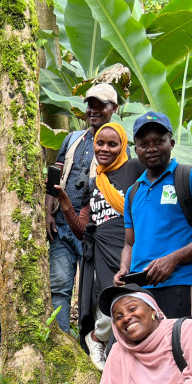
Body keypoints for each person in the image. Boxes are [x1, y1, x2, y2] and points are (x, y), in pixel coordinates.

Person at [53, 122, 144, 368]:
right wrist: (63, 201)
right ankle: (100, 347)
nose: (104, 148)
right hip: (100, 253)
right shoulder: (94, 183)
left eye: (112, 144)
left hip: (128, 248)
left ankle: (105, 346)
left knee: (131, 300)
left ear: (123, 146)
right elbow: (83, 231)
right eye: (99, 143)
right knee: (104, 304)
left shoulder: (135, 168)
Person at [118, 111, 192, 319]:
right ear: (136, 149)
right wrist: (124, 268)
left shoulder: (191, 178)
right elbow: (129, 244)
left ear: (172, 142)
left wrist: (173, 259)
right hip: (140, 289)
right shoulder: (133, 192)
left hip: (180, 281)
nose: (151, 149)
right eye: (144, 144)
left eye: (159, 141)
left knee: (179, 345)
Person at [44, 83, 118, 334]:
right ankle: (63, 342)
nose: (94, 110)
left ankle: (90, 343)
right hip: (62, 225)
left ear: (114, 108)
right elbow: (56, 174)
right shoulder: (73, 138)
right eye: (90, 105)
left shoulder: (117, 144)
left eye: (101, 105)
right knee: (59, 288)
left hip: (94, 230)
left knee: (94, 292)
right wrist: (47, 212)